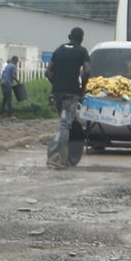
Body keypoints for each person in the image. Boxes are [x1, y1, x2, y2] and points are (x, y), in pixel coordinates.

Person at [45, 27, 91, 169]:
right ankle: (54, 157)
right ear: (82, 38)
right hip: (71, 93)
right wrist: (82, 88)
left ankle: (64, 157)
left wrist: (57, 83)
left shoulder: (59, 50)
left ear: (69, 36)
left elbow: (47, 72)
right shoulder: (82, 51)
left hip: (58, 93)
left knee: (65, 122)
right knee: (65, 125)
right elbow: (87, 71)